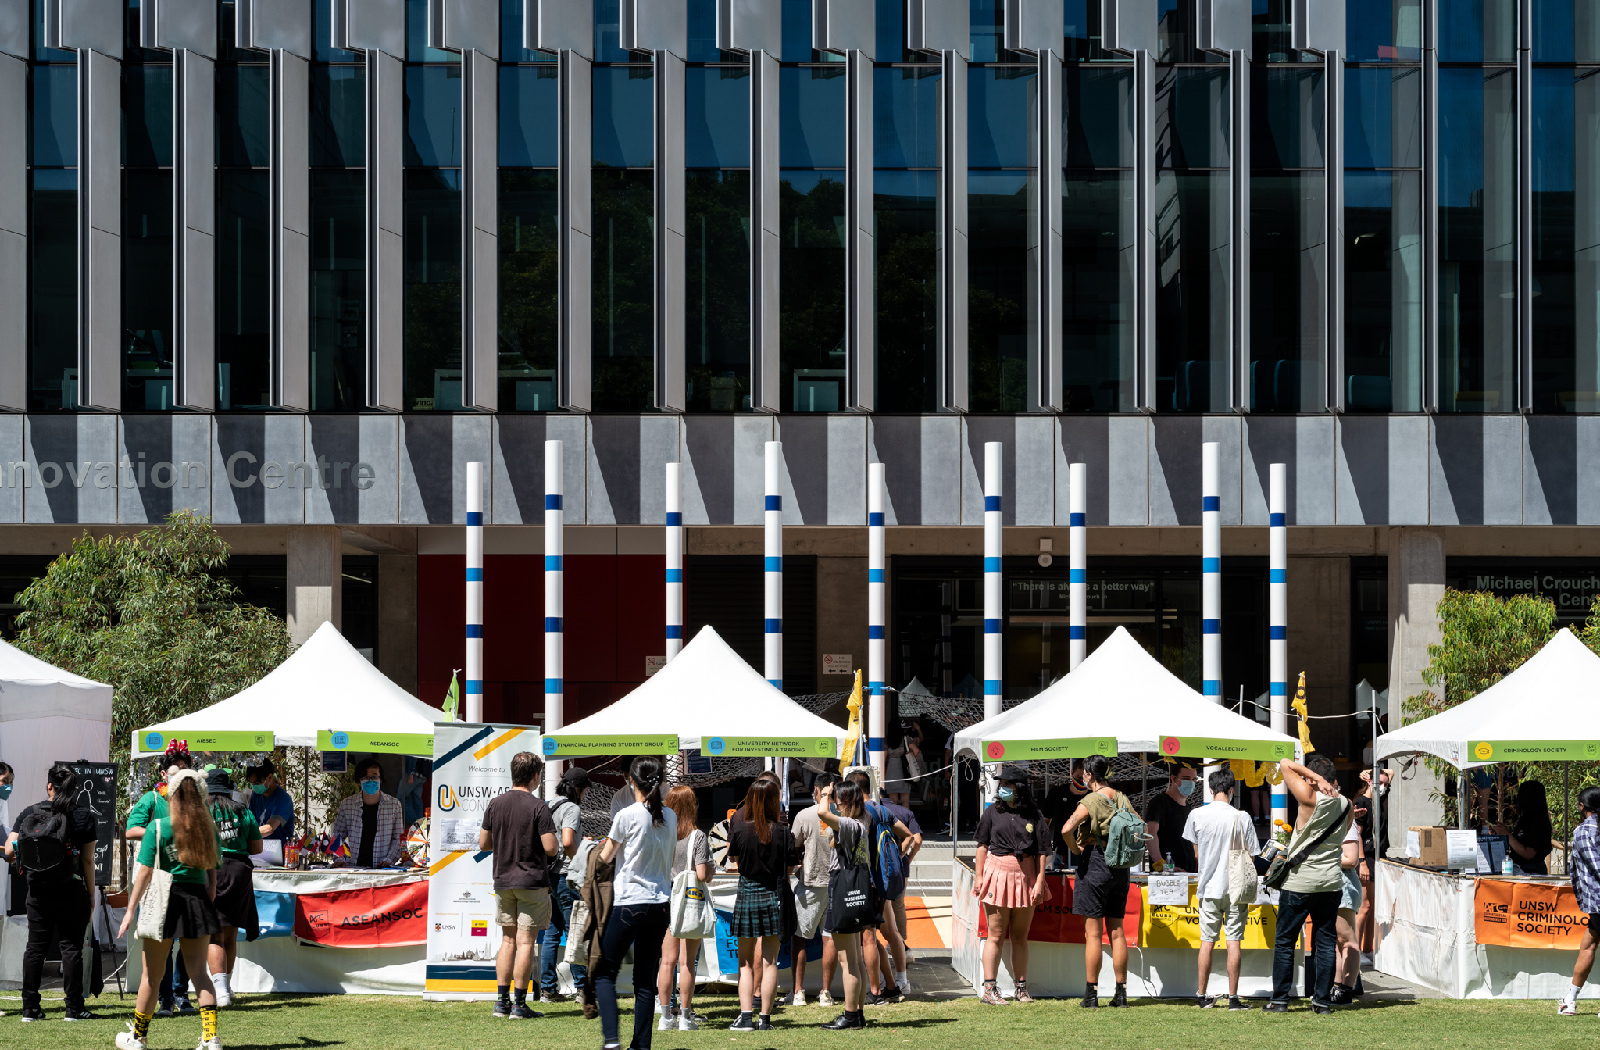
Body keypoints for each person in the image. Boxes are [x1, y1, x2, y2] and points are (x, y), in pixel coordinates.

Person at [116, 768, 223, 1050]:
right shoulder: (208, 828)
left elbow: (144, 873)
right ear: (202, 796)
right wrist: (209, 889)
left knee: (152, 975)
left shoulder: (158, 827)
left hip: (165, 902)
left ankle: (137, 1038)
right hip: (197, 901)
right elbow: (213, 870)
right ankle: (211, 1039)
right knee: (200, 974)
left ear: (171, 795)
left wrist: (130, 910)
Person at [3, 766, 99, 1021]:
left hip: (37, 890)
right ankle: (74, 1008)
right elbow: (88, 861)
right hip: (71, 889)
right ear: (74, 789)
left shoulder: (29, 813)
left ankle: (30, 1009)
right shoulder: (83, 817)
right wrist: (91, 895)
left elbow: (10, 852)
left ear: (49, 787)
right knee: (70, 948)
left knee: (35, 948)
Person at [594, 757, 675, 1050]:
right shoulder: (671, 816)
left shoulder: (627, 815)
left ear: (631, 781)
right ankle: (641, 1045)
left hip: (629, 902)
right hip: (660, 904)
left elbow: (606, 857)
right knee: (644, 982)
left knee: (604, 973)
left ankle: (612, 1040)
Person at [1266, 755, 1351, 1014]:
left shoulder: (1308, 795)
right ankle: (1322, 1002)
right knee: (1325, 942)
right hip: (1331, 882)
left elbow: (1284, 762)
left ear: (1311, 777)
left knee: (1285, 941)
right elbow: (1343, 835)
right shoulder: (1346, 803)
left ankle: (1280, 1000)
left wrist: (1315, 779)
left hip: (1300, 881)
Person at [478, 751, 558, 1018]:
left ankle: (501, 1003)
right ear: (535, 776)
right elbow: (551, 848)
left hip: (503, 880)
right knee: (526, 943)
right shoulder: (539, 806)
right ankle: (520, 1005)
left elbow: (483, 844)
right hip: (531, 881)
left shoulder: (495, 804)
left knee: (508, 941)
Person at [972, 763, 1051, 1005]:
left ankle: (1021, 988)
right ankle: (989, 990)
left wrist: (1040, 881)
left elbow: (1042, 852)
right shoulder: (992, 812)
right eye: (1001, 784)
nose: (1002, 788)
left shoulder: (1035, 815)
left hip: (1026, 875)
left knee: (1020, 935)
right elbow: (982, 846)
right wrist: (979, 876)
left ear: (1019, 788)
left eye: (1007, 784)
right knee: (995, 935)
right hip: (998, 872)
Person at [1059, 754, 1134, 1007]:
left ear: (1089, 774)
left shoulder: (1090, 800)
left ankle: (1091, 995)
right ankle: (1121, 994)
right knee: (1117, 932)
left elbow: (1066, 829)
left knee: (1093, 935)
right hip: (1120, 867)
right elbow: (1137, 823)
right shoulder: (1122, 797)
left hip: (1095, 864)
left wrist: (1076, 850)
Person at [127, 742, 196, 1016]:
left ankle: (182, 993)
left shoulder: (195, 801)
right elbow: (131, 830)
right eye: (174, 770)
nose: (179, 774)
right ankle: (165, 997)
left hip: (189, 877)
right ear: (164, 773)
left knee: (188, 942)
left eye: (184, 769)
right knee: (161, 939)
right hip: (157, 879)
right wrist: (161, 833)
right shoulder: (152, 800)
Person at [1182, 767, 1257, 1010]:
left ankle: (1202, 994)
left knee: (1207, 941)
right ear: (1232, 790)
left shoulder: (1196, 814)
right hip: (1235, 889)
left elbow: (1196, 854)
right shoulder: (1241, 817)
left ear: (1211, 789)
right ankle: (1233, 997)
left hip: (1208, 888)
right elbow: (1251, 857)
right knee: (1234, 941)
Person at [727, 777, 795, 1031]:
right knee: (770, 961)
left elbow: (732, 855)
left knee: (744, 962)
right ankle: (765, 1019)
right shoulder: (782, 830)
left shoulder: (742, 828)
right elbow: (791, 864)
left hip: (747, 893)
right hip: (774, 895)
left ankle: (745, 1018)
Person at [842, 770, 912, 1005]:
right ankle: (894, 984)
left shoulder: (860, 813)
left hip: (866, 882)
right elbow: (909, 836)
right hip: (883, 881)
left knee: (868, 939)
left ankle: (876, 992)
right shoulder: (882, 809)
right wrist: (894, 860)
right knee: (887, 934)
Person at [813, 779, 876, 1030]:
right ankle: (857, 1014)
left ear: (846, 802)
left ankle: (850, 1016)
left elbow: (821, 812)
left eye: (839, 801)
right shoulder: (865, 820)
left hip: (843, 892)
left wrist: (825, 793)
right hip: (858, 893)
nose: (835, 805)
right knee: (856, 958)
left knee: (848, 960)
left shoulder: (849, 824)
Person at [205, 769, 262, 1009]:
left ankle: (220, 992)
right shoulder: (243, 811)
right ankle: (226, 989)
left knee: (213, 934)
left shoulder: (201, 810)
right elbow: (257, 847)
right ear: (229, 789)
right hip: (239, 871)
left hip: (210, 869)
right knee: (230, 933)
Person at [656, 786, 711, 1030]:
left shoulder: (659, 832)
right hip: (688, 901)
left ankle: (665, 1016)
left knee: (666, 962)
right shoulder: (697, 836)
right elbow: (701, 873)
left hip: (664, 900)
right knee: (687, 963)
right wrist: (710, 870)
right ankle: (686, 1017)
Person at [789, 773, 841, 1008]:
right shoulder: (842, 815)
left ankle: (798, 991)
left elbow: (794, 846)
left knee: (800, 938)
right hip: (836, 884)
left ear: (818, 790)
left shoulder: (804, 815)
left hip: (810, 883)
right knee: (829, 938)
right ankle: (826, 992)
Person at [540, 766, 590, 1004]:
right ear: (578, 789)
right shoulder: (571, 808)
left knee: (551, 932)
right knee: (575, 931)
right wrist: (580, 858)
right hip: (567, 876)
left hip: (548, 875)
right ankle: (582, 989)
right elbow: (568, 840)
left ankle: (547, 988)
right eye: (584, 791)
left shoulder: (548, 805)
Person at [876, 790, 923, 995]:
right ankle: (902, 946)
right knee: (898, 907)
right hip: (899, 869)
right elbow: (917, 839)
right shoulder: (903, 811)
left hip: (879, 870)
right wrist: (904, 857)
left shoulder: (874, 811)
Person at [1558, 785, 1600, 1016]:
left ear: (1582, 807)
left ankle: (1570, 1000)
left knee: (1589, 946)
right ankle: (1569, 999)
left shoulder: (1584, 831)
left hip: (1598, 900)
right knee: (1588, 945)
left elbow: (1596, 865)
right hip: (1596, 903)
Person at [331, 756, 405, 868]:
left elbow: (398, 839)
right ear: (359, 780)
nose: (370, 780)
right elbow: (337, 836)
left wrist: (389, 859)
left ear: (381, 778)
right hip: (353, 867)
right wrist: (340, 858)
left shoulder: (394, 805)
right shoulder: (347, 805)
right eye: (366, 777)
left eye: (374, 776)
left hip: (382, 868)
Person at [1353, 767, 1391, 961]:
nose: (1384, 786)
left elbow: (1390, 771)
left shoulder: (1379, 799)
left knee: (1373, 907)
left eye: (1385, 784)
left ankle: (1367, 949)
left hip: (1377, 856)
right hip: (1365, 857)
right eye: (1380, 783)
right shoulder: (1361, 802)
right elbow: (1356, 834)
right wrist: (1362, 863)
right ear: (1369, 782)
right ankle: (1356, 950)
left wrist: (1371, 771)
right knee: (1364, 906)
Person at [1329, 815, 1364, 1004]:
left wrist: (1322, 858)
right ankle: (1338, 986)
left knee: (1347, 939)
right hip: (1332, 883)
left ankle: (1347, 989)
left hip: (1343, 884)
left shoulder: (1346, 824)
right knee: (1338, 942)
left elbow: (1351, 859)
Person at [1143, 763, 1199, 872]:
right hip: (1168, 877)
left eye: (1194, 779)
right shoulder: (1160, 802)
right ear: (1173, 778)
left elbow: (1193, 843)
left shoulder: (1189, 808)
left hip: (1189, 873)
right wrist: (1161, 863)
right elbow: (1150, 833)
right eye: (1186, 779)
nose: (1191, 783)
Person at [1497, 779, 1555, 876]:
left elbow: (1528, 853)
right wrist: (1502, 833)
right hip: (1519, 869)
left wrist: (1507, 835)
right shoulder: (1525, 819)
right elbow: (1519, 843)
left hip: (1532, 872)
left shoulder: (1539, 822)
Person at [244, 759, 294, 844]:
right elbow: (250, 822)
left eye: (257, 783)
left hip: (279, 852)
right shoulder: (256, 796)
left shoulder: (282, 799)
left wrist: (242, 833)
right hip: (259, 849)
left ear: (270, 778)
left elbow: (269, 829)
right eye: (251, 783)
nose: (254, 786)